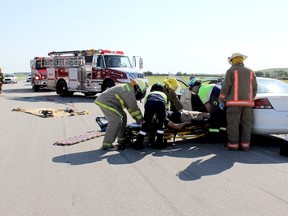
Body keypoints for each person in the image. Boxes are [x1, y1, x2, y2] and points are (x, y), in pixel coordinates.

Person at [95, 78, 148, 150]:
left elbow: (130, 108)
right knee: (116, 120)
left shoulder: (129, 89)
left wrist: (136, 118)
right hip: (106, 102)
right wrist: (140, 119)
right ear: (137, 87)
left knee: (124, 116)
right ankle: (107, 144)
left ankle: (121, 139)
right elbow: (134, 107)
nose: (139, 93)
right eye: (140, 91)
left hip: (111, 102)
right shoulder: (129, 91)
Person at [219, 52, 258, 151]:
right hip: (248, 104)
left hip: (233, 104)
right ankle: (245, 146)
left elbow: (225, 87)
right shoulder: (251, 71)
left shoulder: (231, 70)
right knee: (246, 125)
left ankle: (233, 145)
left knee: (233, 124)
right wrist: (250, 99)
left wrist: (221, 99)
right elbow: (255, 88)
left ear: (233, 60)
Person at [134, 83, 169, 150]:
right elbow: (166, 107)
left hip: (150, 103)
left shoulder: (148, 94)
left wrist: (148, 117)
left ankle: (138, 143)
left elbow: (145, 105)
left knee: (145, 124)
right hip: (160, 103)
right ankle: (159, 144)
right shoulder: (164, 95)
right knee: (161, 124)